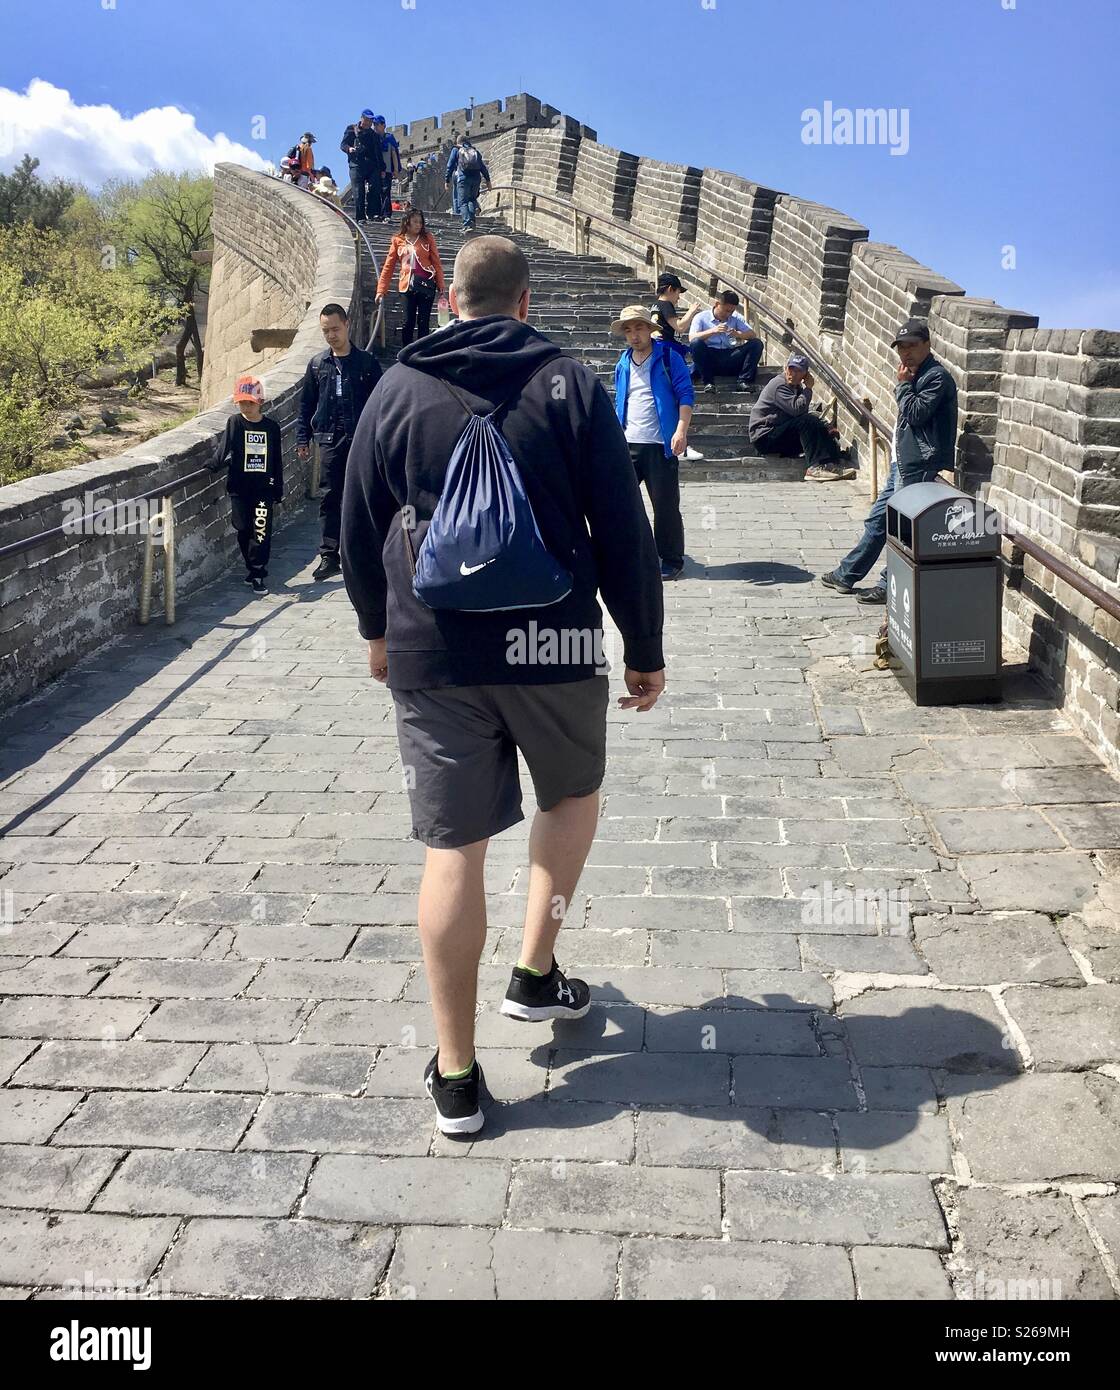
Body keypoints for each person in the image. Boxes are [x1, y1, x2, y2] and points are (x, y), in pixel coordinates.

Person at [339, 235, 666, 1135]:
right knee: (570, 796)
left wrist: (376, 628)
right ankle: (535, 969)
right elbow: (622, 525)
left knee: (454, 849)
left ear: (450, 300)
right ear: (525, 302)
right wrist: (642, 640)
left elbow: (358, 519)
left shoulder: (397, 387)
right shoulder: (569, 384)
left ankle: (455, 1075)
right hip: (553, 642)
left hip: (433, 651)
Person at [819, 319, 959, 603]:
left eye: (912, 346)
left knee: (900, 528)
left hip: (919, 464)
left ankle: (888, 585)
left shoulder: (936, 377)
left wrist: (903, 387)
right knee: (878, 522)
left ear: (927, 345)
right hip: (903, 462)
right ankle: (847, 574)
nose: (906, 353)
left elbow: (917, 414)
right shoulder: (915, 373)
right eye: (901, 348)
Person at [297, 303, 383, 580]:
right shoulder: (317, 365)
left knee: (363, 495)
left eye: (335, 329)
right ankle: (329, 555)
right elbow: (306, 404)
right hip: (330, 439)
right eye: (326, 331)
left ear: (346, 324)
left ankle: (364, 552)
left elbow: (381, 405)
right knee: (330, 495)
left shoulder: (367, 364)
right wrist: (303, 438)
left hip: (361, 439)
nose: (331, 335)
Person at [612, 305, 694, 580]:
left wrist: (681, 430)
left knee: (665, 506)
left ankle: (671, 559)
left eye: (638, 328)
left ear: (650, 329)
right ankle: (626, 555)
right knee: (619, 503)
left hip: (661, 444)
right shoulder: (622, 362)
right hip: (628, 443)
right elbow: (620, 400)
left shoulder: (669, 357)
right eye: (628, 330)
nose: (634, 335)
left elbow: (685, 395)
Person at [209, 375, 283, 595]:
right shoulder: (235, 422)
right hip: (240, 487)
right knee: (242, 528)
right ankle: (251, 568)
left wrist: (278, 488)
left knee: (260, 531)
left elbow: (276, 460)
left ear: (259, 401)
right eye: (241, 402)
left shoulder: (271, 427)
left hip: (263, 488)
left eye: (249, 402)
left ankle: (259, 573)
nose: (245, 406)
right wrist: (212, 465)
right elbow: (225, 447)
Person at [749, 353, 855, 482]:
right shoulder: (779, 385)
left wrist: (824, 428)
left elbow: (802, 412)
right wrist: (808, 388)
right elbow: (798, 410)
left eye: (798, 371)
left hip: (779, 432)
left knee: (819, 427)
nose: (793, 374)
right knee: (807, 421)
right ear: (785, 368)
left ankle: (832, 464)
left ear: (805, 374)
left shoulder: (795, 386)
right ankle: (814, 468)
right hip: (765, 437)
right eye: (791, 369)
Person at [376, 209, 447, 347]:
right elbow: (388, 266)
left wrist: (440, 283)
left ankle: (422, 353)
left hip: (426, 285)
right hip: (406, 286)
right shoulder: (398, 240)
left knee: (423, 321)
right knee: (408, 321)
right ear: (407, 222)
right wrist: (381, 289)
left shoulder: (427, 238)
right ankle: (407, 352)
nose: (418, 225)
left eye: (420, 222)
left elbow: (436, 261)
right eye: (415, 222)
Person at [689, 290, 764, 391]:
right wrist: (712, 331)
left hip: (729, 355)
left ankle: (743, 381)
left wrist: (737, 334)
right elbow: (692, 338)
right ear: (717, 304)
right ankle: (708, 383)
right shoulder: (701, 317)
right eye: (726, 310)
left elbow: (752, 335)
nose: (728, 314)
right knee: (696, 343)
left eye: (731, 311)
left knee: (757, 344)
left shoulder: (735, 318)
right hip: (710, 356)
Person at [651, 273, 701, 365]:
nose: (678, 297)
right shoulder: (666, 304)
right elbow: (679, 327)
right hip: (666, 349)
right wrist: (691, 311)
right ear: (670, 289)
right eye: (678, 292)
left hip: (656, 346)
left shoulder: (656, 305)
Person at [340, 110, 380, 221]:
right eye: (366, 119)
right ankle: (360, 217)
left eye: (371, 120)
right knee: (358, 191)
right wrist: (350, 149)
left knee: (374, 188)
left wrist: (382, 168)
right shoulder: (351, 129)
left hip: (371, 166)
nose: (368, 122)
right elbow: (343, 144)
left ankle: (372, 214)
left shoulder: (374, 135)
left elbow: (378, 153)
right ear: (361, 118)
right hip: (356, 164)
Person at [445, 135, 491, 232]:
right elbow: (482, 167)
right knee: (472, 199)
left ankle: (467, 224)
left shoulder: (456, 149)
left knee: (463, 202)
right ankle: (472, 222)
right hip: (476, 179)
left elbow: (450, 165)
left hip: (463, 178)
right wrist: (488, 181)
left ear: (458, 142)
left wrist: (447, 180)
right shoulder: (475, 151)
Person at [371, 115, 402, 221]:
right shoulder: (372, 137)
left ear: (383, 125)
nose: (375, 126)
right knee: (375, 192)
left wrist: (396, 170)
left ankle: (386, 214)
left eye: (377, 124)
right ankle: (376, 213)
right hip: (375, 171)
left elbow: (394, 154)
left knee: (385, 192)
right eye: (374, 124)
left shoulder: (389, 138)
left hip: (387, 170)